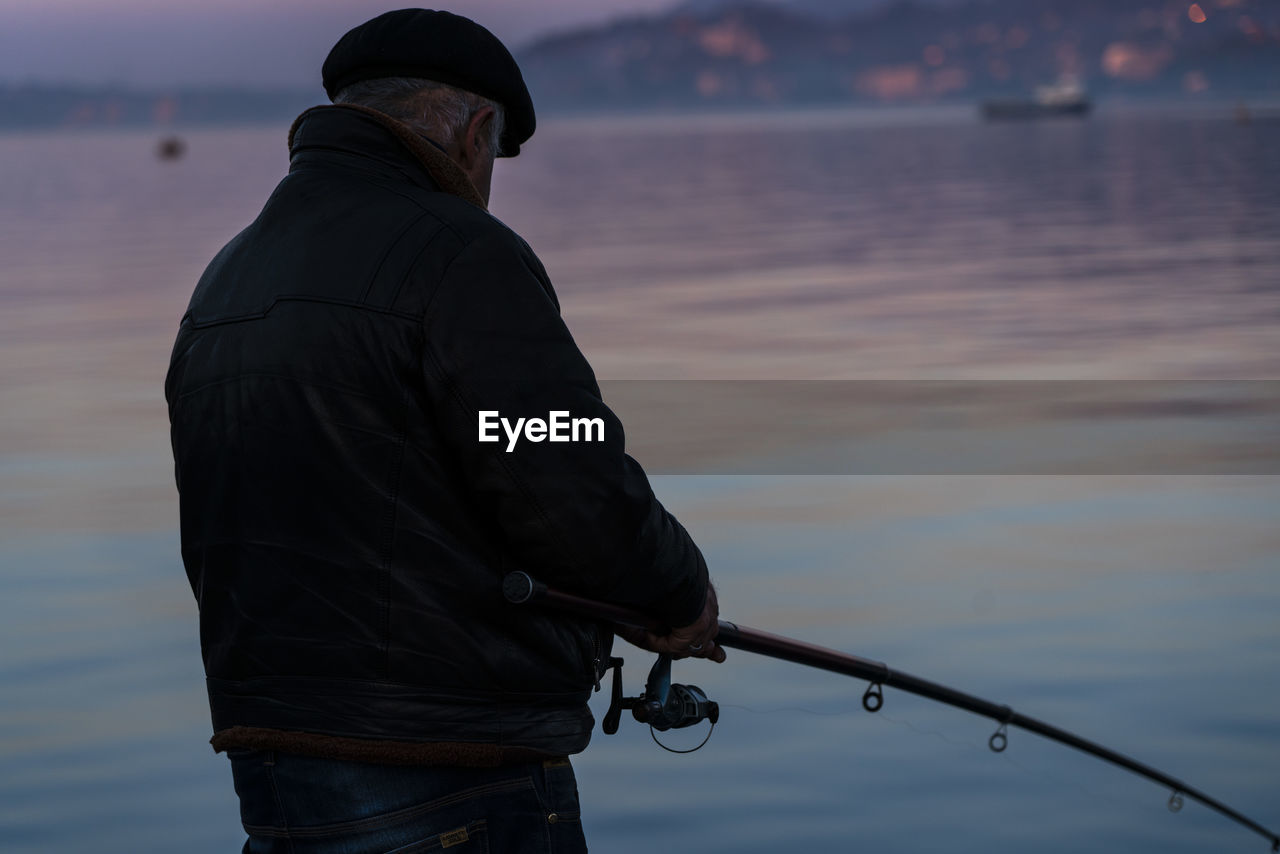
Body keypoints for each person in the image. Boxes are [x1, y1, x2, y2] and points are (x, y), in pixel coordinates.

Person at [164, 9, 723, 854]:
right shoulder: (461, 253)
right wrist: (676, 594)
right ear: (476, 129)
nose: (489, 176)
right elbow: (563, 477)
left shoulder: (230, 275)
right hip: (449, 783)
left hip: (275, 780)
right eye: (495, 156)